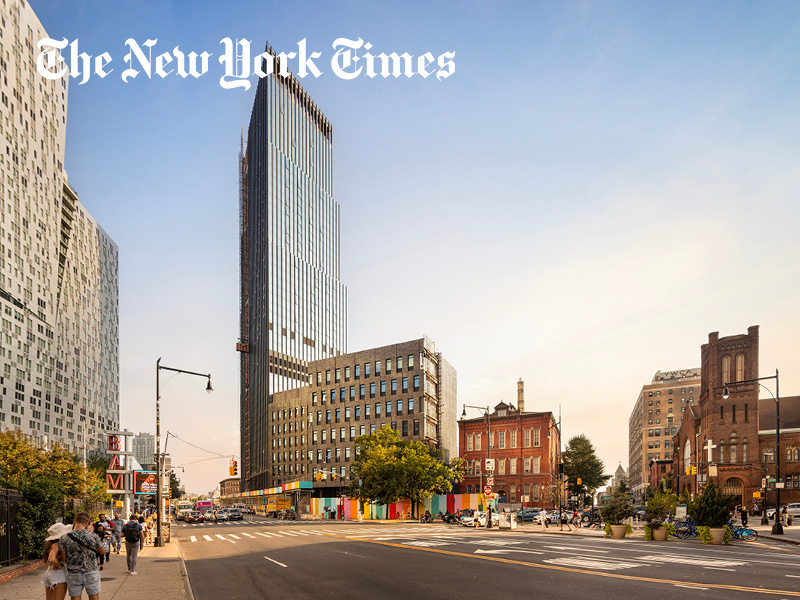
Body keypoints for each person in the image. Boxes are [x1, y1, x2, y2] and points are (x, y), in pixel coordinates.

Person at [58, 512, 104, 600]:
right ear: (87, 523)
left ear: (74, 521)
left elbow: (63, 558)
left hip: (73, 572)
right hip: (91, 570)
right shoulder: (93, 536)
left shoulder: (63, 538)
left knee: (75, 597)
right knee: (94, 596)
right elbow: (102, 552)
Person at [42, 522, 72, 600]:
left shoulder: (50, 544)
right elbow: (51, 559)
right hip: (58, 574)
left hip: (49, 572)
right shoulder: (57, 544)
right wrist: (59, 565)